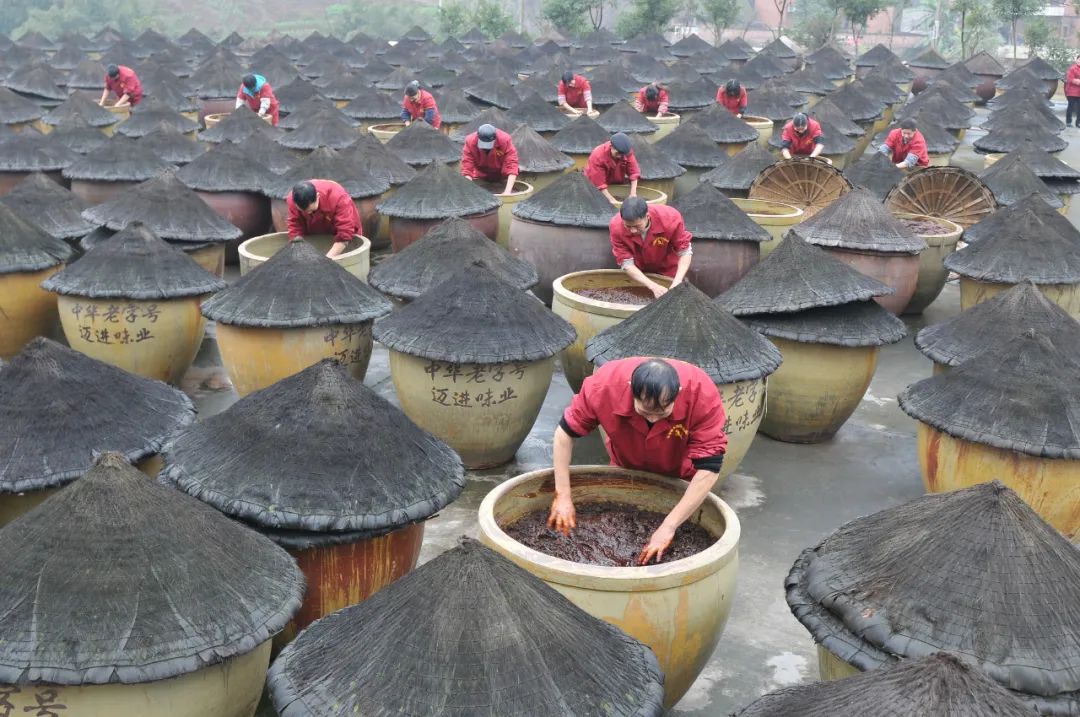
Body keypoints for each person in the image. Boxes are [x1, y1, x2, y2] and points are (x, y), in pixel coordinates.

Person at [548, 357, 728, 564]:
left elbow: (709, 468)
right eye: (645, 411)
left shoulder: (701, 394)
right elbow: (564, 434)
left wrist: (668, 526)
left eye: (662, 412)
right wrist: (563, 495)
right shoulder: (604, 386)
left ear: (678, 393)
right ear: (630, 389)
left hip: (679, 472)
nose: (652, 418)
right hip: (626, 465)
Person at [608, 197, 692, 299]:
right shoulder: (616, 226)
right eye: (628, 226)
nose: (633, 230)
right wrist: (652, 286)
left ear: (647, 216)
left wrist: (677, 281)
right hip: (638, 271)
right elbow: (626, 263)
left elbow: (685, 251)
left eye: (637, 226)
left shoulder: (670, 218)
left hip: (667, 268)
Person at [286, 180, 361, 259]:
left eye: (312, 210)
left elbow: (345, 234)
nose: (308, 213)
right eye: (303, 211)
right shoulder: (293, 199)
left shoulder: (338, 197)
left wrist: (325, 261)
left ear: (318, 196)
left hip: (339, 231)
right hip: (314, 229)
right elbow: (295, 227)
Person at [461, 124, 519, 195]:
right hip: (481, 175)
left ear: (495, 138)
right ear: (478, 137)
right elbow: (467, 167)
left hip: (501, 175)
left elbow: (512, 164)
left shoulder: (504, 140)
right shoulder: (470, 141)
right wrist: (468, 189)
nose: (486, 148)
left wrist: (507, 191)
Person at [584, 132, 640, 205]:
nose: (619, 156)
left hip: (615, 181)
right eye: (617, 153)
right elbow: (599, 184)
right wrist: (613, 200)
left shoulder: (626, 151)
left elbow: (634, 172)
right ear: (611, 147)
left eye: (622, 155)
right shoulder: (598, 156)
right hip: (594, 187)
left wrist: (633, 194)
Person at [1066, 55, 1080, 128]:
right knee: (1070, 107)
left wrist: (1077, 80)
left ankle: (1078, 123)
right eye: (1079, 59)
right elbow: (1070, 79)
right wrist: (1077, 81)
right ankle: (1068, 122)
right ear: (1076, 60)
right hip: (1072, 92)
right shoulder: (1072, 68)